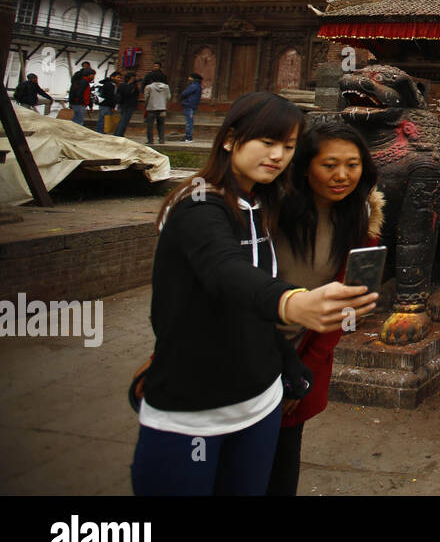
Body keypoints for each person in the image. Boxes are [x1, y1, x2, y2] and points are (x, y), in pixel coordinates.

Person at [130, 93, 380, 495]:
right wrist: (291, 302)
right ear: (230, 139)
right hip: (193, 409)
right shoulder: (200, 204)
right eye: (267, 142)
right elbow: (224, 269)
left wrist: (293, 366)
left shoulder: (262, 203)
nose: (278, 155)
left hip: (261, 400)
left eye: (288, 146)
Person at [268, 122, 383, 496]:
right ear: (303, 166)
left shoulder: (359, 219)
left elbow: (343, 309)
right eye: (329, 165)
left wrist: (302, 375)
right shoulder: (268, 214)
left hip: (301, 359)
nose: (342, 176)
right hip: (247, 352)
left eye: (353, 165)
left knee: (281, 470)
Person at [144, 76, 171, 145]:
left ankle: (150, 140)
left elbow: (146, 97)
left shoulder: (149, 87)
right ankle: (161, 139)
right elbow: (168, 97)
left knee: (150, 125)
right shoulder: (166, 87)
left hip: (151, 108)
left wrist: (145, 106)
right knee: (161, 125)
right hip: (162, 108)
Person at [114, 72, 140, 137]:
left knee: (124, 120)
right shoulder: (125, 85)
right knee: (124, 120)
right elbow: (127, 94)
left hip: (127, 105)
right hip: (126, 105)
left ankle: (119, 133)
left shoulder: (131, 85)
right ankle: (119, 134)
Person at [180, 73, 204, 143]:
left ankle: (188, 137)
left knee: (189, 122)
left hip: (189, 104)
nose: (188, 79)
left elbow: (184, 93)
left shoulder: (193, 86)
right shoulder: (198, 86)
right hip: (192, 105)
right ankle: (188, 137)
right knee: (190, 121)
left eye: (190, 77)